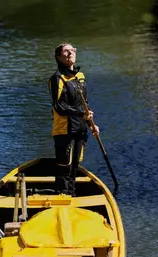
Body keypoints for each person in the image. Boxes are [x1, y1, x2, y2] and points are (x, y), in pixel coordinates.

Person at [48, 42, 99, 196]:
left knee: (75, 166)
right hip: (64, 130)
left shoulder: (80, 77)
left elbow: (84, 103)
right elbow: (59, 107)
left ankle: (72, 196)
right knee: (65, 167)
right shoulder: (57, 79)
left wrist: (91, 124)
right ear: (59, 57)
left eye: (72, 50)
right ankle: (63, 197)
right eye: (66, 51)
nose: (70, 53)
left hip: (80, 129)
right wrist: (81, 113)